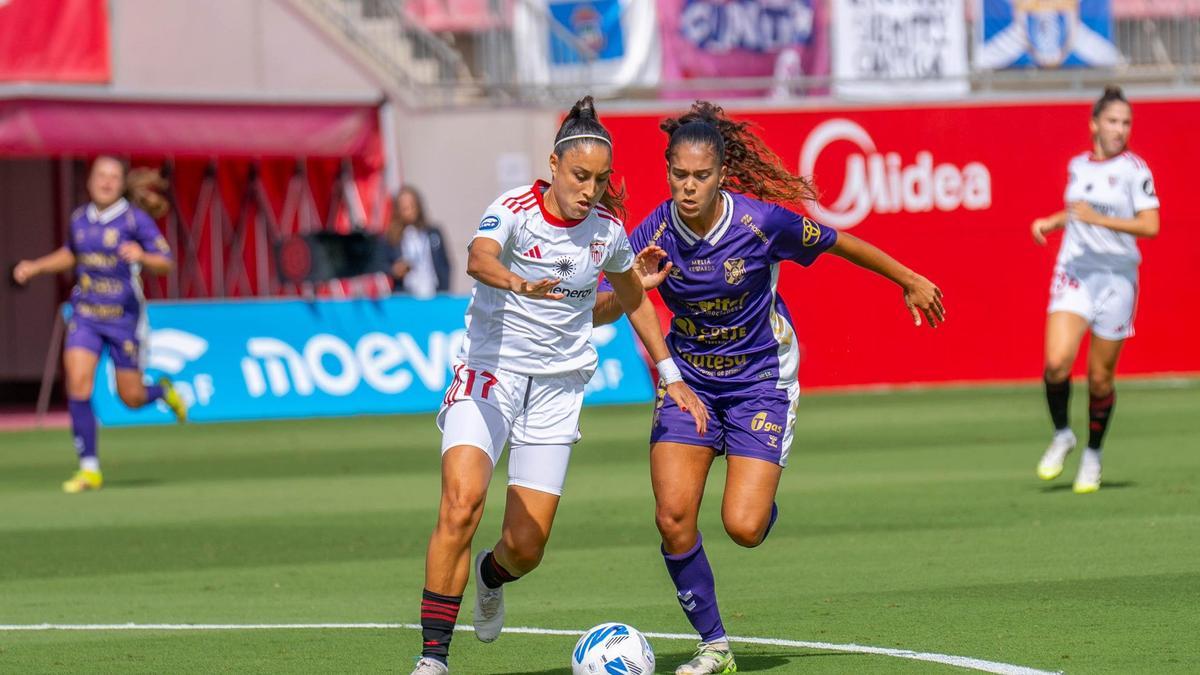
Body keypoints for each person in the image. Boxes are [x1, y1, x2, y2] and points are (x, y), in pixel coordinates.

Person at [592, 101, 945, 674]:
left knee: (745, 527)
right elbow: (606, 307)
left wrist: (907, 279)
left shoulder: (761, 222)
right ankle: (715, 646)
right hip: (690, 383)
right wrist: (639, 283)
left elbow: (838, 242)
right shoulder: (652, 232)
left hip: (760, 381)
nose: (688, 187)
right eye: (679, 175)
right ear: (667, 172)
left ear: (721, 174)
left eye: (700, 176)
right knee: (673, 517)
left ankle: (758, 485)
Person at [409, 96, 708, 675]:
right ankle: (433, 659)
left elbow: (624, 302)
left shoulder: (608, 234)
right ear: (553, 165)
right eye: (579, 176)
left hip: (557, 389)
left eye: (600, 179)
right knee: (462, 503)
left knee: (527, 547)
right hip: (490, 373)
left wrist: (669, 374)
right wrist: (518, 282)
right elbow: (477, 259)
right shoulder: (514, 210)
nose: (590, 189)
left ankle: (490, 575)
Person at [11, 157, 189, 493]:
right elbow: (71, 254)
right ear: (90, 181)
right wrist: (36, 267)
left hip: (124, 319)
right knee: (78, 383)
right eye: (101, 176)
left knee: (131, 398)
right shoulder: (80, 218)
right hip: (86, 314)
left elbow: (165, 263)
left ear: (122, 184)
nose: (106, 182)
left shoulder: (135, 220)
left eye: (113, 177)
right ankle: (89, 468)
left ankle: (162, 391)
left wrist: (142, 256)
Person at [1031, 86, 1159, 494]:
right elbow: (1079, 211)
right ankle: (1063, 434)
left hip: (1117, 279)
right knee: (1056, 364)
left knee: (1100, 380)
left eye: (1126, 123)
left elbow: (1150, 226)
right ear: (1094, 125)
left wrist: (1097, 220)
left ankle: (1093, 455)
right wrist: (1053, 221)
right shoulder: (1078, 166)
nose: (1120, 129)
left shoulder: (1135, 170)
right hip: (1076, 271)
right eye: (1113, 121)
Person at [387, 185, 451, 298]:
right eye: (404, 207)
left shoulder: (433, 233)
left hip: (432, 293)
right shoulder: (392, 238)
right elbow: (383, 265)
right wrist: (395, 270)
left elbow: (444, 264)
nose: (408, 211)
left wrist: (444, 290)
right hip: (405, 296)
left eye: (411, 206)